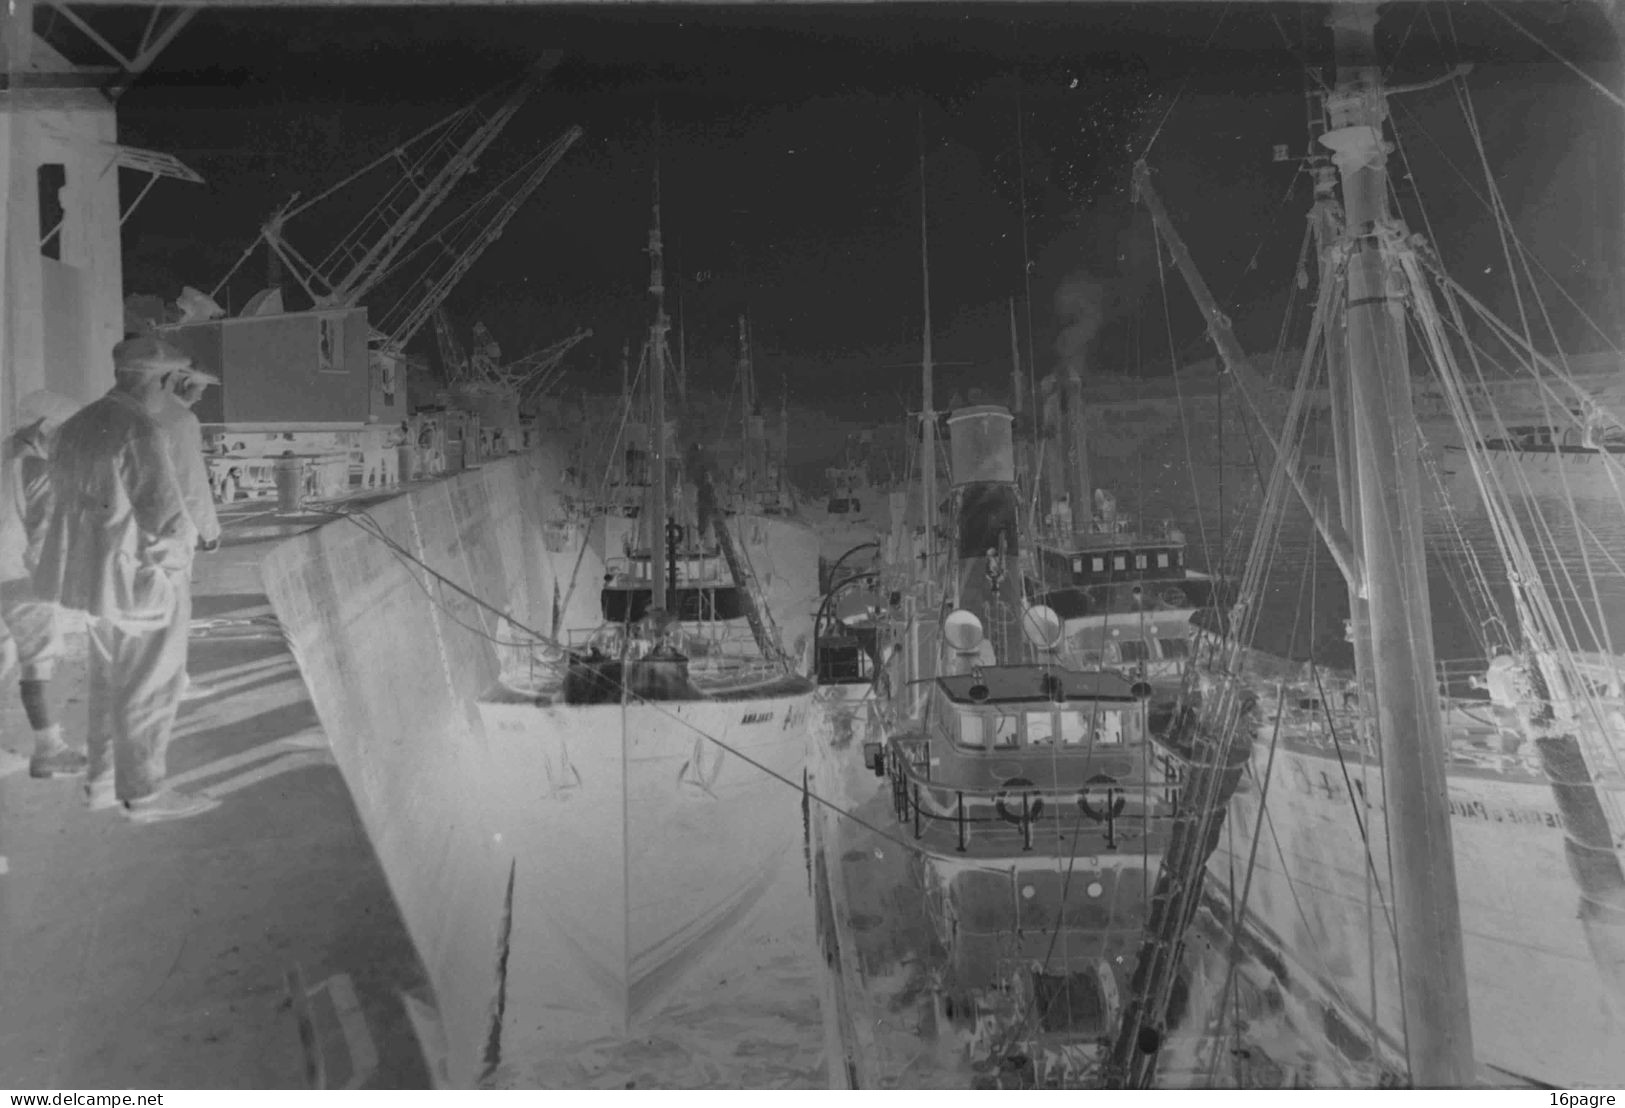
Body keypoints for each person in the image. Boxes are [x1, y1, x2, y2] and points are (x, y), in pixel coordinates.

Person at [31, 336, 216, 822]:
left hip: (89, 585)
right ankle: (146, 794)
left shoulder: (75, 426)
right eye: (171, 382)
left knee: (108, 684)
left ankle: (103, 784)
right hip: (140, 581)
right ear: (157, 380)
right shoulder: (139, 428)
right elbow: (167, 517)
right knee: (151, 684)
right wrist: (172, 572)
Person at [0, 392, 83, 777]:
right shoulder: (36, 468)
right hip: (21, 578)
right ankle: (49, 748)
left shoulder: (4, 456)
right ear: (42, 428)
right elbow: (46, 536)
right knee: (38, 663)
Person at [154, 365, 222, 703]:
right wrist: (210, 528)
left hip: (145, 525)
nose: (201, 393)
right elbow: (193, 481)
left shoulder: (150, 412)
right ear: (183, 385)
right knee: (177, 607)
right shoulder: (182, 421)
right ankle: (175, 684)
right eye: (198, 387)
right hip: (177, 523)